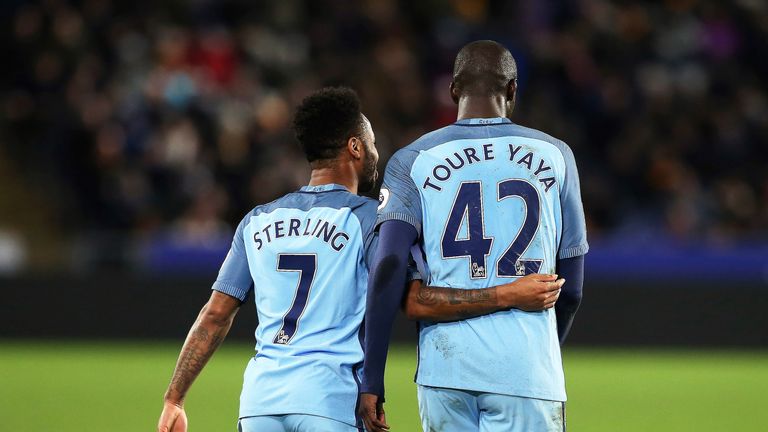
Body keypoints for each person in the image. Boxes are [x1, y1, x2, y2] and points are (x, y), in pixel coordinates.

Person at [156, 86, 564, 432]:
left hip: (260, 402)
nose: (375, 150)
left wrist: (175, 398)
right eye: (370, 141)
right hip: (329, 400)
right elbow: (414, 299)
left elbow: (215, 314)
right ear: (354, 146)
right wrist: (509, 293)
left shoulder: (259, 220)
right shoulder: (371, 220)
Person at [360, 40, 588, 432]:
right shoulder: (556, 155)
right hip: (526, 369)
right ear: (513, 90)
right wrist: (544, 348)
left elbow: (389, 264)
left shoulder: (413, 159)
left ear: (452, 91)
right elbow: (571, 289)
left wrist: (372, 379)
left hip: (445, 370)